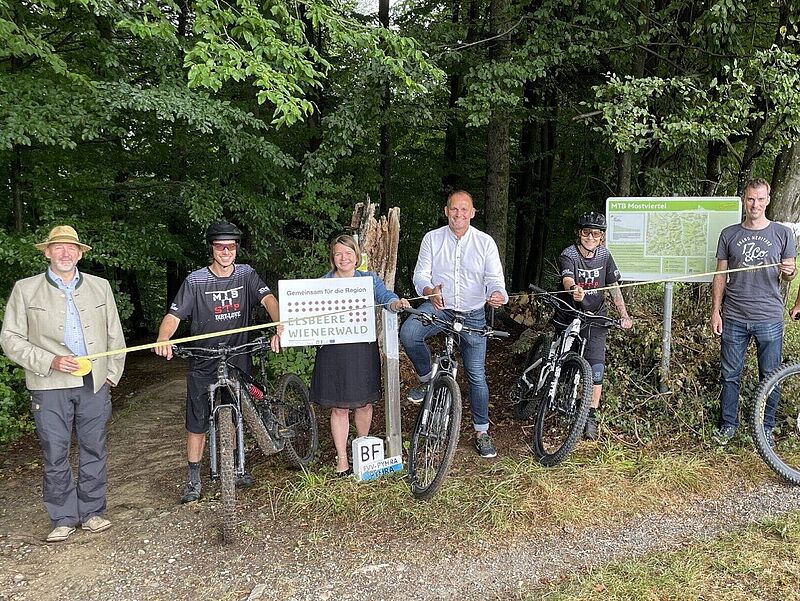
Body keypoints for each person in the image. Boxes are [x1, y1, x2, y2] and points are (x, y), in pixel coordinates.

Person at [1, 226, 125, 543]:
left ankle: (94, 513)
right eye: (58, 248)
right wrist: (49, 361)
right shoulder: (25, 289)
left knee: (93, 448)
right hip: (48, 384)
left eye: (72, 248)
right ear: (47, 252)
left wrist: (110, 374)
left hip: (93, 383)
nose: (65, 253)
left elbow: (115, 335)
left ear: (80, 253)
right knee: (55, 452)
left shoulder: (101, 287)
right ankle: (63, 517)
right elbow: (10, 340)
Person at [154, 222, 281, 503]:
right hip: (204, 358)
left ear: (236, 248)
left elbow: (268, 299)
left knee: (235, 412)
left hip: (238, 355)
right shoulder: (196, 280)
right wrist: (164, 337)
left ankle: (236, 467)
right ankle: (194, 479)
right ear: (212, 249)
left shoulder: (246, 274)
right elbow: (174, 316)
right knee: (197, 421)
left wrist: (279, 324)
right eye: (220, 246)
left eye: (231, 246)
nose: (226, 251)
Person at [400, 190, 508, 459]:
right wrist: (428, 290)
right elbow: (421, 274)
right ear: (446, 211)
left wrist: (497, 296)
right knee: (410, 332)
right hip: (440, 308)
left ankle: (482, 432)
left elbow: (496, 279)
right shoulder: (432, 239)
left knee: (477, 376)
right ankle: (427, 380)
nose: (459, 214)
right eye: (454, 209)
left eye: (464, 210)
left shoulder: (485, 243)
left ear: (472, 213)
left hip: (472, 313)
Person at [309, 235, 410, 476]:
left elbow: (386, 297)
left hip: (362, 348)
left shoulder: (368, 279)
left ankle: (361, 448)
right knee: (339, 407)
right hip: (334, 350)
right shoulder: (322, 282)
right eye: (338, 254)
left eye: (348, 253)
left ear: (356, 256)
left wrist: (395, 302)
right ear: (333, 258)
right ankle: (342, 459)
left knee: (364, 403)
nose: (344, 258)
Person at [711, 177, 797, 446]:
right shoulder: (729, 234)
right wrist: (716, 310)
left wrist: (789, 273)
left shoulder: (783, 233)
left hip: (769, 317)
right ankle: (728, 425)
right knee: (730, 375)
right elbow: (720, 274)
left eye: (760, 199)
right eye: (750, 199)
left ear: (768, 200)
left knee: (770, 376)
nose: (755, 204)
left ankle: (765, 428)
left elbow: (789, 275)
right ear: (743, 200)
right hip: (734, 315)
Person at [557, 211, 633, 440]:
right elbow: (567, 278)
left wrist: (624, 314)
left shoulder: (604, 255)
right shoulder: (569, 254)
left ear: (602, 237)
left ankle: (590, 415)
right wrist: (573, 290)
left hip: (596, 315)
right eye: (586, 232)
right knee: (562, 361)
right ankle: (550, 392)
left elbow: (613, 286)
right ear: (579, 233)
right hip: (569, 312)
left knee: (596, 368)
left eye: (596, 234)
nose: (591, 237)